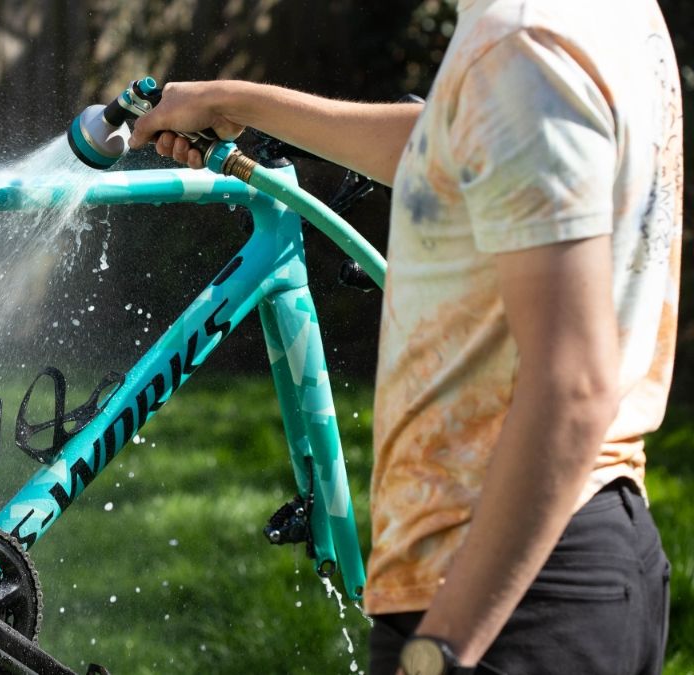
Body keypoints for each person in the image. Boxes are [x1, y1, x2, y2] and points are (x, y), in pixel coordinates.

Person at [128, 0, 681, 673]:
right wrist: (239, 101)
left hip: (500, 585)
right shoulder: (592, 19)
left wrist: (442, 649)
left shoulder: (525, 37)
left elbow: (573, 383)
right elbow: (461, 147)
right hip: (565, 551)